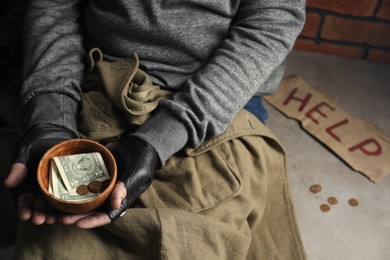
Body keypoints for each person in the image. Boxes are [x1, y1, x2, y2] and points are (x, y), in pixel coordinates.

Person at [2, 0, 306, 259]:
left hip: (216, 89)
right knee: (56, 237)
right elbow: (54, 7)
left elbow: (271, 24)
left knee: (200, 232)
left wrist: (162, 136)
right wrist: (51, 112)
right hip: (96, 70)